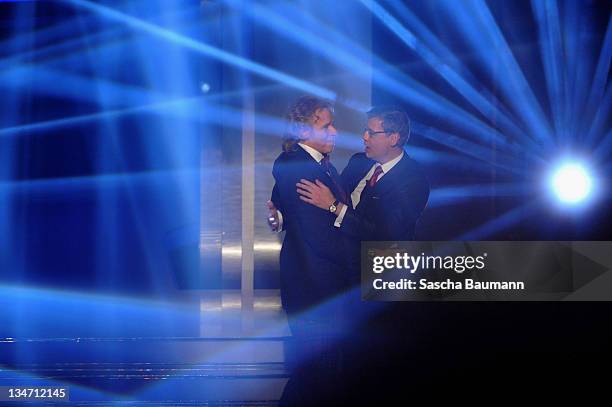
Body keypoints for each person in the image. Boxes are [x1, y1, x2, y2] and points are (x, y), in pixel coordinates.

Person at [271, 95, 350, 405]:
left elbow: (285, 208)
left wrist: (278, 214)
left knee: (318, 377)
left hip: (319, 289)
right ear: (303, 131)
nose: (334, 132)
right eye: (326, 125)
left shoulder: (318, 165)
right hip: (316, 291)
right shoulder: (297, 165)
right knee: (316, 378)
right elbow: (319, 235)